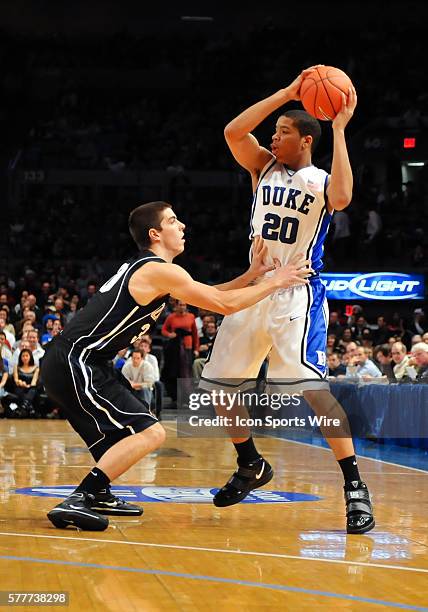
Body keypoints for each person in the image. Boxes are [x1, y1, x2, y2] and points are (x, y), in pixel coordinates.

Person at [41, 200, 312, 531]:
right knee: (152, 432)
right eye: (173, 221)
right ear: (155, 234)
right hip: (77, 361)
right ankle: (80, 497)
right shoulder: (159, 270)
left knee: (117, 440)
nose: (182, 225)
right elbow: (224, 305)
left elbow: (208, 295)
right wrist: (276, 281)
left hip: (74, 361)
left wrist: (252, 276)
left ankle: (98, 493)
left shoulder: (153, 271)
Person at [200, 65, 374, 534]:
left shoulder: (320, 179)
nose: (273, 138)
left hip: (296, 293)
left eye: (282, 132)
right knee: (219, 390)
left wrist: (339, 129)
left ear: (306, 140)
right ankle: (250, 463)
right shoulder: (263, 168)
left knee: (314, 394)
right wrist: (286, 94)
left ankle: (354, 486)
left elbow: (342, 196)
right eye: (274, 132)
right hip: (257, 287)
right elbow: (233, 131)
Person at [12, 348, 40, 417]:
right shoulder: (17, 366)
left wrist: (28, 386)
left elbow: (34, 381)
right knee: (20, 390)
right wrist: (21, 383)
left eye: (26, 356)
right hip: (20, 386)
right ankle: (30, 409)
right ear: (20, 358)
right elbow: (16, 380)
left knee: (32, 390)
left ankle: (23, 407)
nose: (25, 358)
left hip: (31, 387)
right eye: (23, 356)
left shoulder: (36, 368)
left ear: (30, 357)